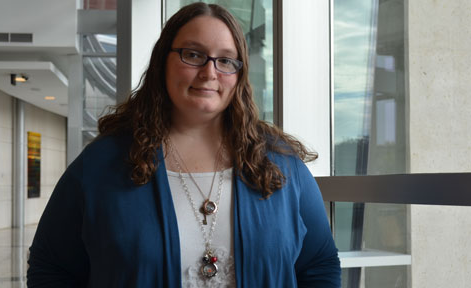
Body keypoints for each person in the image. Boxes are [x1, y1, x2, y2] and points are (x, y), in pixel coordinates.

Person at [27, 2, 341, 287]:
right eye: (193, 54)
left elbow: (319, 266)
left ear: (239, 74)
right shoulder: (102, 164)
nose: (209, 72)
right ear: (163, 60)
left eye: (226, 61)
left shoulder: (281, 165)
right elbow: (51, 268)